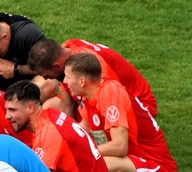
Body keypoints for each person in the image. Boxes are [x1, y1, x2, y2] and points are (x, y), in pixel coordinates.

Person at [64, 52, 176, 172]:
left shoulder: (110, 93)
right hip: (134, 160)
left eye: (67, 77)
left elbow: (119, 146)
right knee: (92, 162)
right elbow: (81, 132)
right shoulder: (88, 95)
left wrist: (86, 156)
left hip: (159, 170)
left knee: (102, 165)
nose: (65, 82)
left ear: (82, 81)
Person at [27, 37, 157, 116]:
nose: (46, 79)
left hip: (139, 106)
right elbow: (67, 105)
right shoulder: (65, 50)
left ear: (56, 66)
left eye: (46, 75)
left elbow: (108, 102)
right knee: (49, 107)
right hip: (101, 96)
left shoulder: (92, 68)